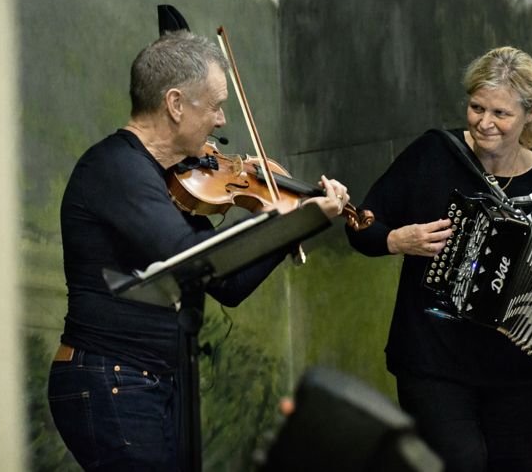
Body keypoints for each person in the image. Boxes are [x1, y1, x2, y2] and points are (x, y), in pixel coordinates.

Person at [47, 30, 350, 471]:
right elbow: (193, 258)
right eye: (215, 105)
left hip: (144, 378)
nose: (222, 120)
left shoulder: (166, 178)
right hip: (110, 376)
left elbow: (227, 284)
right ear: (174, 104)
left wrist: (298, 224)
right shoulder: (117, 168)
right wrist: (289, 222)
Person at [345, 46, 532, 472]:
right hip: (434, 363)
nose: (484, 123)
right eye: (476, 107)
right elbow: (361, 224)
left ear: (531, 113)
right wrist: (396, 240)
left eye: (501, 114)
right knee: (462, 462)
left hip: (521, 376)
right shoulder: (435, 153)